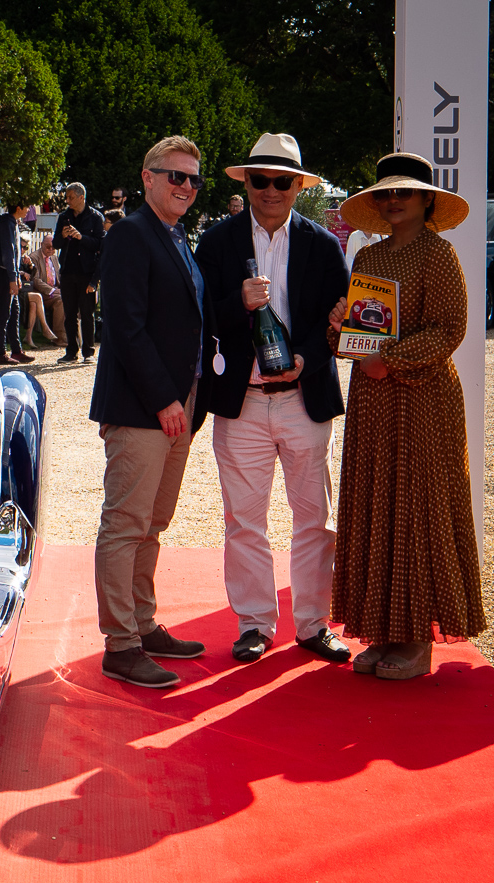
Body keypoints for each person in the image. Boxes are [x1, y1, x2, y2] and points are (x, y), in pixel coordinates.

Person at [195, 133, 351, 664]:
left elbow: (338, 316)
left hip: (302, 398)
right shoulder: (216, 244)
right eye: (259, 180)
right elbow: (196, 318)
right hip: (242, 399)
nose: (269, 190)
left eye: (281, 181)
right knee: (244, 519)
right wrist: (237, 303)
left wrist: (308, 356)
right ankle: (255, 623)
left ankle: (312, 624)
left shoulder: (324, 246)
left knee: (315, 518)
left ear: (297, 186)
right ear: (247, 182)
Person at [328, 152, 484, 678]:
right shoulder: (367, 261)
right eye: (386, 193)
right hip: (374, 402)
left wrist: (388, 361)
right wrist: (338, 329)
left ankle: (417, 638)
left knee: (417, 505)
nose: (394, 200)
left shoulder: (439, 255)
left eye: (405, 192)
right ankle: (384, 628)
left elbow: (450, 328)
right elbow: (355, 337)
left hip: (423, 398)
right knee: (377, 501)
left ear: (426, 201)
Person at [90, 135, 214, 689]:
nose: (186, 186)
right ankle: (121, 644)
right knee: (126, 525)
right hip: (145, 407)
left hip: (177, 404)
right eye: (175, 176)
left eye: (193, 179)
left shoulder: (177, 236)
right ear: (147, 177)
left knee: (153, 524)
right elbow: (124, 326)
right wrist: (165, 398)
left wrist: (186, 398)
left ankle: (142, 624)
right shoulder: (131, 236)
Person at [53, 182, 104, 364]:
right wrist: (64, 235)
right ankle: (71, 352)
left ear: (81, 197)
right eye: (67, 197)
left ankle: (88, 352)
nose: (68, 201)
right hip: (68, 270)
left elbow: (99, 244)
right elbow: (56, 244)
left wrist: (80, 237)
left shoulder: (95, 217)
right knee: (70, 314)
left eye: (71, 197)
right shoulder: (64, 217)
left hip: (86, 271)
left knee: (87, 314)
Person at [0, 203, 32, 364]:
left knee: (14, 311)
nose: (28, 209)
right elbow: (8, 252)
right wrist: (12, 278)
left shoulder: (13, 223)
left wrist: (15, 276)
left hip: (8, 272)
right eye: (26, 206)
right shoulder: (6, 223)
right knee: (3, 312)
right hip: (2, 272)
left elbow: (14, 254)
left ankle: (16, 350)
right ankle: (0, 353)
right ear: (18, 207)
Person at [28, 237, 63, 341]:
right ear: (41, 244)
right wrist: (52, 290)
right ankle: (60, 338)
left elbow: (59, 277)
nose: (51, 249)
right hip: (42, 292)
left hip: (55, 290)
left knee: (72, 297)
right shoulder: (34, 257)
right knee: (61, 300)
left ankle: (75, 335)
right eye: (48, 247)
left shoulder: (54, 258)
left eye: (54, 247)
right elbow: (35, 280)